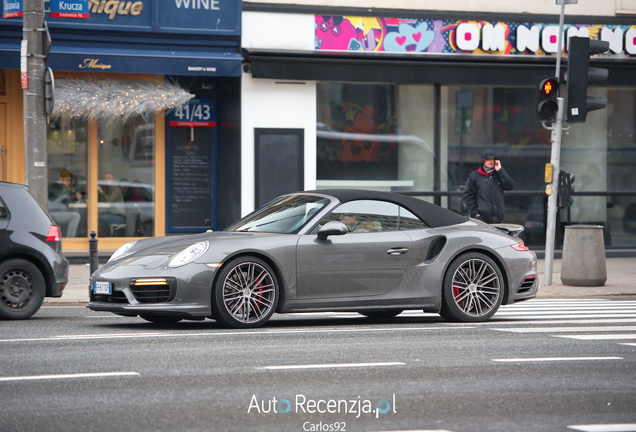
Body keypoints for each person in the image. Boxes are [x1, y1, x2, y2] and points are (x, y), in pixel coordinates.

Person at [463, 149, 515, 224]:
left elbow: (510, 186)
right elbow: (468, 196)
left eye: (492, 159)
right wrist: (476, 214)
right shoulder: (475, 176)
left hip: (498, 220)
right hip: (481, 220)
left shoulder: (499, 175)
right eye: (488, 159)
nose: (490, 161)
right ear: (483, 160)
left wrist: (500, 170)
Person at [48, 169, 83, 238]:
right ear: (61, 179)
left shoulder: (63, 188)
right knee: (76, 216)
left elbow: (66, 201)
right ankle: (70, 240)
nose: (68, 182)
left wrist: (75, 198)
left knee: (77, 211)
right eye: (67, 180)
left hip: (58, 211)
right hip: (52, 213)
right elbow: (61, 200)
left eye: (70, 181)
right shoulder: (55, 187)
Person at [97, 172, 126, 236]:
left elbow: (108, 201)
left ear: (113, 180)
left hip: (118, 216)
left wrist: (100, 191)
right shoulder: (105, 188)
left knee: (96, 218)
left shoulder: (116, 189)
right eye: (105, 178)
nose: (106, 180)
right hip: (108, 214)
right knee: (95, 221)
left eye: (109, 178)